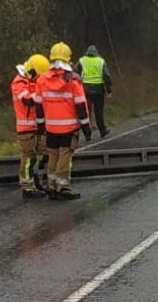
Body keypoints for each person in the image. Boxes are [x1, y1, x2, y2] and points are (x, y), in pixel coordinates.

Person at [35, 42, 92, 200]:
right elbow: (81, 106)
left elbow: (38, 105)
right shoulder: (73, 81)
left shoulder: (42, 80)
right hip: (69, 128)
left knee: (52, 155)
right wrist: (86, 127)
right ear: (68, 59)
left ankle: (52, 186)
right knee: (64, 158)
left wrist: (40, 126)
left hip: (50, 127)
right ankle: (63, 187)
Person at [11, 54, 50, 199]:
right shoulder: (19, 82)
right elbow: (27, 99)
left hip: (39, 126)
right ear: (32, 72)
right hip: (26, 129)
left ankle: (38, 181)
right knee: (28, 158)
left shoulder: (34, 81)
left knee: (46, 153)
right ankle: (27, 187)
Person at [75, 45, 112, 139]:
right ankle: (102, 130)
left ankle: (87, 134)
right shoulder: (101, 61)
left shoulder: (82, 60)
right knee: (98, 111)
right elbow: (107, 76)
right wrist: (108, 89)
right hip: (99, 89)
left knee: (86, 112)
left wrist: (77, 83)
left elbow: (75, 72)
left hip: (85, 89)